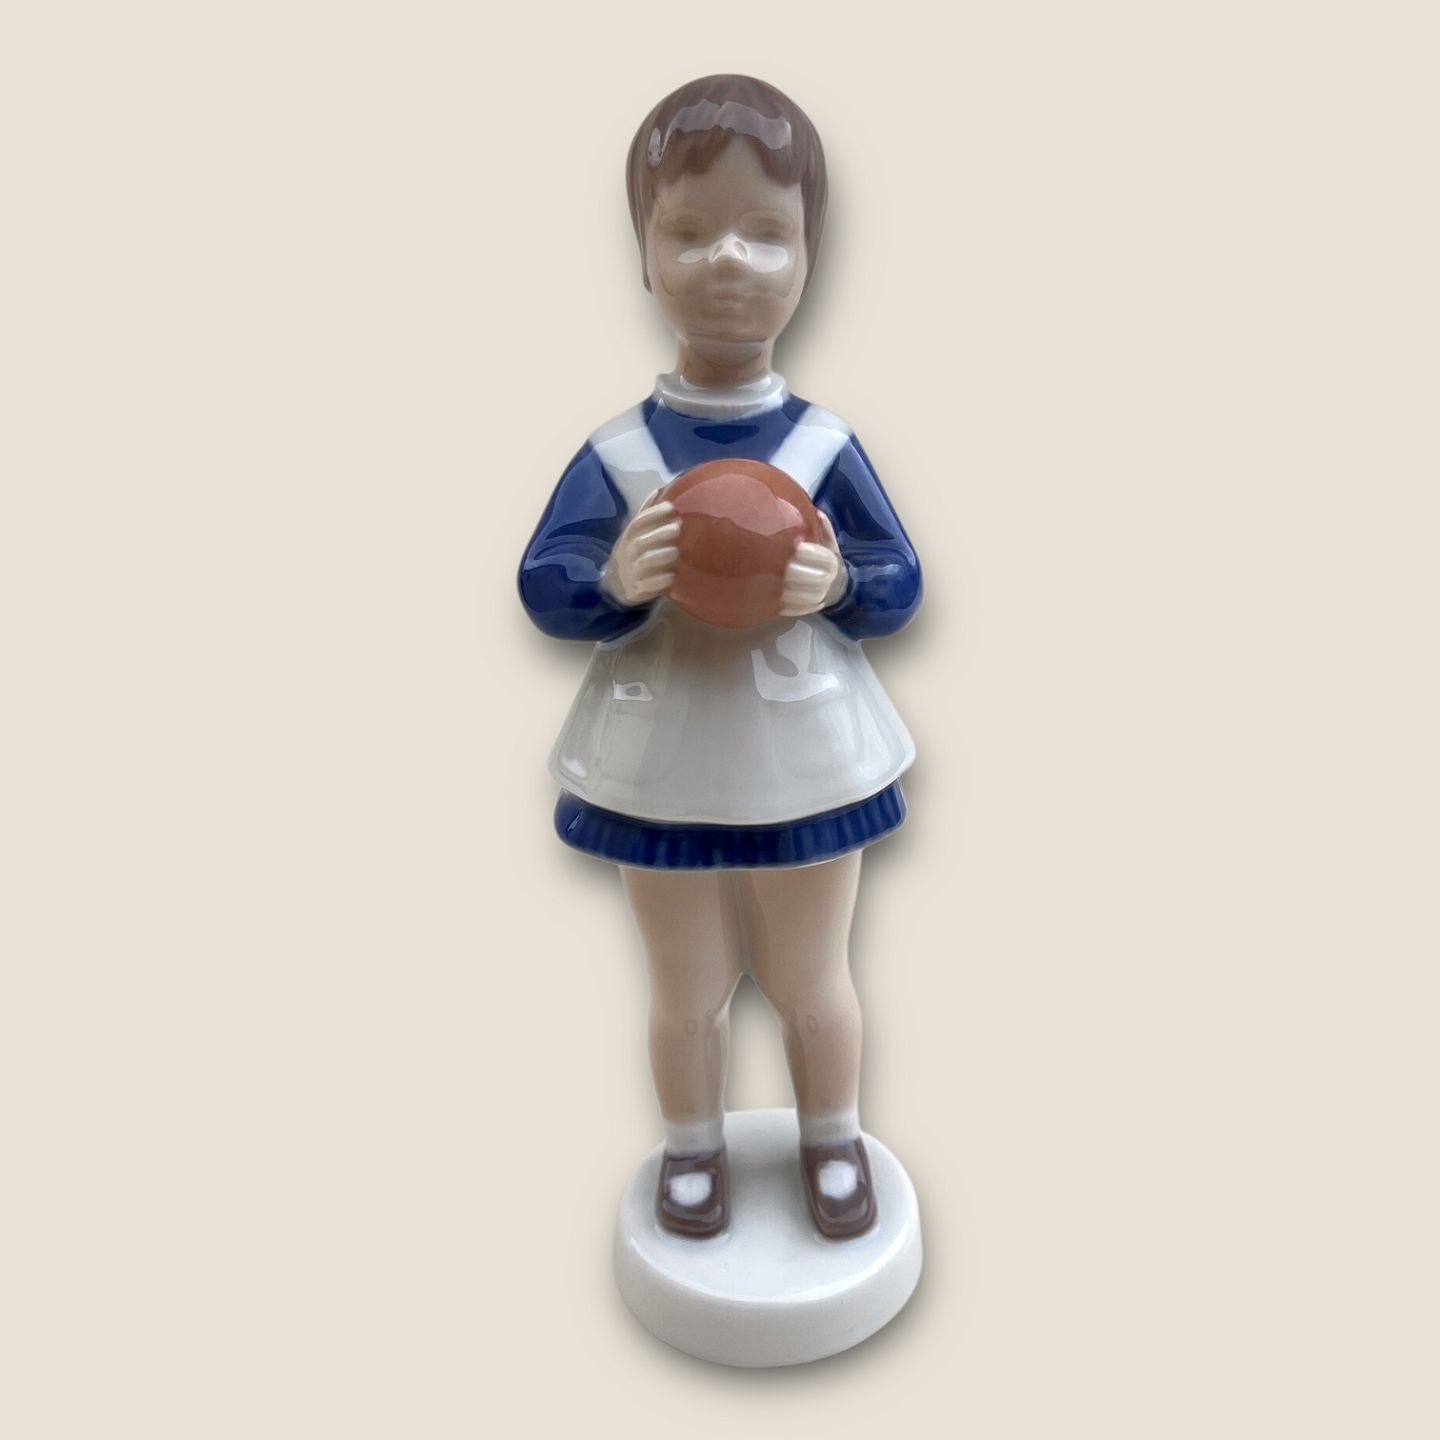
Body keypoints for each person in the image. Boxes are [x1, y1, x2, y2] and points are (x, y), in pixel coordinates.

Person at [517, 74, 922, 1240]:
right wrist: (611, 580)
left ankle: (831, 1138)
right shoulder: (619, 452)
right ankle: (691, 1150)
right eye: (688, 232)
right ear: (643, 260)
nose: (727, 260)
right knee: (685, 983)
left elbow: (900, 581)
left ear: (811, 259)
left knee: (813, 976)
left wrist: (840, 584)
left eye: (765, 232)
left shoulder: (825, 446)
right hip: (666, 748)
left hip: (804, 745)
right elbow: (544, 581)